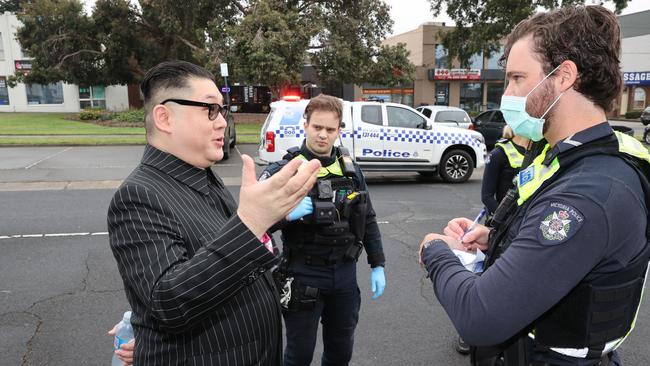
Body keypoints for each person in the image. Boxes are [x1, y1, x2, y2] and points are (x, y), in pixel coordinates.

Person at [419, 5, 650, 366]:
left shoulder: (590, 192)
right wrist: (495, 239)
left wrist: (436, 251)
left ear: (564, 77)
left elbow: (481, 317)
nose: (506, 94)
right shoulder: (570, 159)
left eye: (517, 78)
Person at [107, 60, 320, 366]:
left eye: (222, 110)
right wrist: (251, 223)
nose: (222, 122)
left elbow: (213, 250)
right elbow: (168, 303)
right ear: (165, 117)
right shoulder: (138, 195)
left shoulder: (201, 176)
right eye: (209, 110)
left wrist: (268, 218)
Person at [260, 94, 386, 366]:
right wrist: (284, 214)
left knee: (340, 353)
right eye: (317, 127)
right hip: (303, 273)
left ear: (339, 130)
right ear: (305, 125)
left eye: (330, 129)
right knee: (299, 356)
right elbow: (257, 226)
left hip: (344, 274)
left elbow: (369, 217)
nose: (323, 135)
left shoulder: (350, 171)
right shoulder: (285, 170)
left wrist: (378, 264)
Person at [481, 126, 530, 216]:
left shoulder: (541, 152)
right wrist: (506, 219)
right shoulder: (499, 154)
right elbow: (487, 197)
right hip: (509, 221)